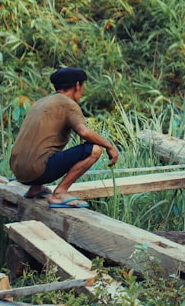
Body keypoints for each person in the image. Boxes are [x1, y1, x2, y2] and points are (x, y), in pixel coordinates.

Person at [9, 67, 119, 208]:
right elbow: (83, 132)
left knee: (46, 148)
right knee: (95, 150)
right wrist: (109, 146)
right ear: (78, 85)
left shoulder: (41, 102)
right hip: (38, 171)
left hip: (18, 171)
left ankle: (35, 189)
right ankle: (60, 193)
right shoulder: (68, 104)